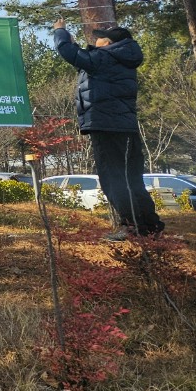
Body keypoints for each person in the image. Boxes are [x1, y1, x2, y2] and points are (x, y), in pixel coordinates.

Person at [52, 20, 164, 241]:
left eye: (101, 37)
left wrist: (60, 31)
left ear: (110, 43)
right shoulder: (119, 59)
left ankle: (131, 225)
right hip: (124, 127)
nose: (96, 40)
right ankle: (150, 226)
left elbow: (68, 52)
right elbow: (86, 64)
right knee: (131, 179)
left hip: (106, 125)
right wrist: (76, 47)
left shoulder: (105, 58)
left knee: (113, 179)